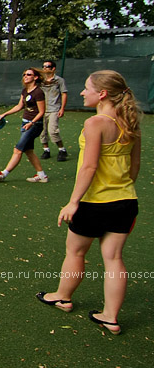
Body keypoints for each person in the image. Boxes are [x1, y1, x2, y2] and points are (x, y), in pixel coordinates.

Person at [35, 71, 141, 335]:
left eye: (86, 88)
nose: (82, 93)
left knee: (76, 252)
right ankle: (110, 317)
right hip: (125, 201)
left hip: (94, 202)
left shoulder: (95, 123)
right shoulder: (131, 122)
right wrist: (123, 190)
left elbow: (89, 166)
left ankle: (62, 296)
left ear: (102, 94)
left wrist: (73, 202)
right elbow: (134, 166)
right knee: (114, 258)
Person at [0, 68, 48, 183]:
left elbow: (41, 112)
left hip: (34, 125)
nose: (25, 76)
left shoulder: (38, 92)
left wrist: (32, 123)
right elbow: (19, 106)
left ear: (35, 77)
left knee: (18, 149)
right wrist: (5, 114)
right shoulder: (25, 90)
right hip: (25, 123)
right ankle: (42, 175)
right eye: (24, 74)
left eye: (29, 74)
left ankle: (3, 174)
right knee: (28, 150)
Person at [40, 60, 69, 161]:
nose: (44, 68)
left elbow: (64, 93)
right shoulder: (40, 80)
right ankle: (46, 150)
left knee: (52, 131)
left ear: (53, 69)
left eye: (47, 66)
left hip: (54, 109)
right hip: (42, 110)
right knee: (42, 131)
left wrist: (62, 108)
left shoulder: (59, 80)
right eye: (43, 66)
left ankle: (62, 150)